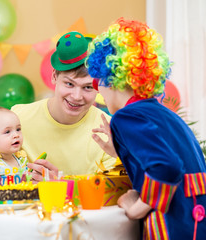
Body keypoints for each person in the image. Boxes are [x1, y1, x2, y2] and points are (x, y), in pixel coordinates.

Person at [86, 18, 206, 239]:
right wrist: (119, 150)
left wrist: (138, 206)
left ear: (110, 78)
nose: (98, 91)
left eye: (96, 82)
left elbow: (167, 167)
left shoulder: (126, 116)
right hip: (196, 219)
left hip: (173, 223)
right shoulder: (163, 113)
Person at [11, 31, 116, 182]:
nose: (76, 96)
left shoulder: (109, 132)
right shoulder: (17, 119)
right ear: (54, 76)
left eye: (87, 87)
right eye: (69, 84)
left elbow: (112, 191)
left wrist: (63, 185)